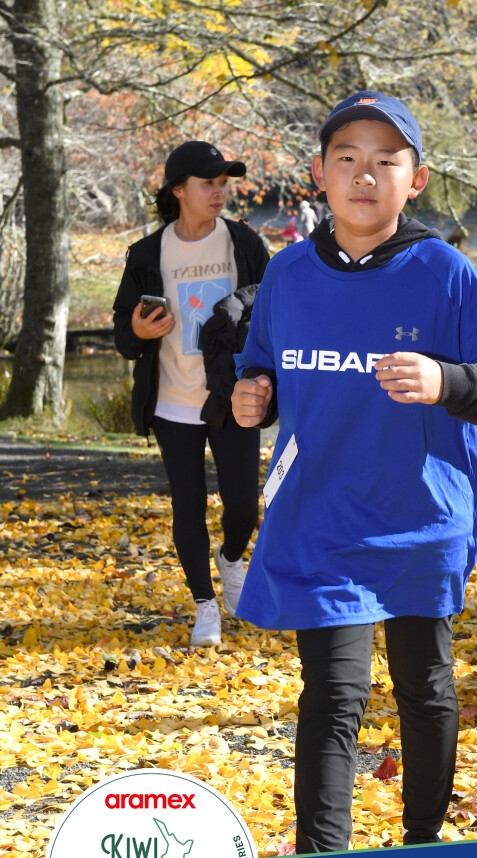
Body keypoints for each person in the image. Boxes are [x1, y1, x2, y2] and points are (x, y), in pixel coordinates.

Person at [231, 91, 477, 854]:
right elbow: (263, 368)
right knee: (332, 696)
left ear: (416, 180)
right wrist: (253, 395)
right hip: (319, 520)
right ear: (319, 174)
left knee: (422, 689)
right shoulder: (287, 274)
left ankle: (420, 846)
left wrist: (445, 381)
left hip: (417, 521)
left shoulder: (443, 273)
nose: (364, 176)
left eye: (385, 162)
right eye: (347, 159)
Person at [113, 140, 269, 647]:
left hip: (232, 397)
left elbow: (273, 311)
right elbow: (124, 337)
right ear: (178, 190)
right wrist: (140, 331)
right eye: (208, 183)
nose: (219, 192)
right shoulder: (147, 254)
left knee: (244, 504)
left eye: (224, 183)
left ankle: (231, 557)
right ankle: (205, 605)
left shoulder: (243, 243)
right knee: (188, 505)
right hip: (172, 402)